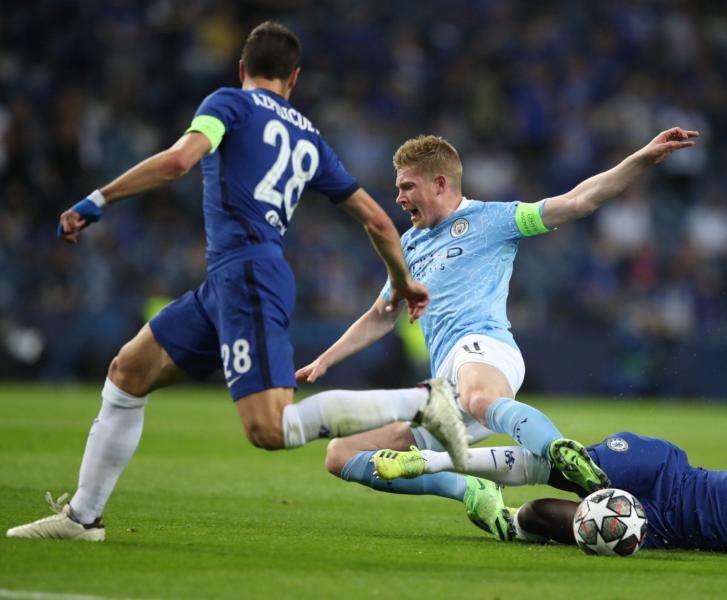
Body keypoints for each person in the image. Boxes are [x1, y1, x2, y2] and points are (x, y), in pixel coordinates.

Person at [7, 21, 472, 542]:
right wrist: (402, 280)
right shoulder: (309, 136)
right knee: (127, 372)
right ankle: (82, 519)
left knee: (269, 429)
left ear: (241, 68)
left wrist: (100, 198)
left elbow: (181, 159)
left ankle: (422, 402)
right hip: (231, 280)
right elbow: (379, 222)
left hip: (248, 273)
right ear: (293, 78)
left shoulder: (228, 103)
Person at [295, 127, 699, 538]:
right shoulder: (410, 243)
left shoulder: (493, 219)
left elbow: (579, 200)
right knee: (342, 454)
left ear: (439, 183)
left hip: (484, 348)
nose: (399, 197)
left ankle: (560, 452)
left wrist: (643, 157)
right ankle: (472, 491)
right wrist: (325, 359)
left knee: (479, 396)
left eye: (406, 186)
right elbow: (382, 314)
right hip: (443, 385)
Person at [374, 429, 727, 558]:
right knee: (569, 464)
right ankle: (438, 457)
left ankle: (504, 519)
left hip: (663, 524)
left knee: (545, 513)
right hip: (675, 472)